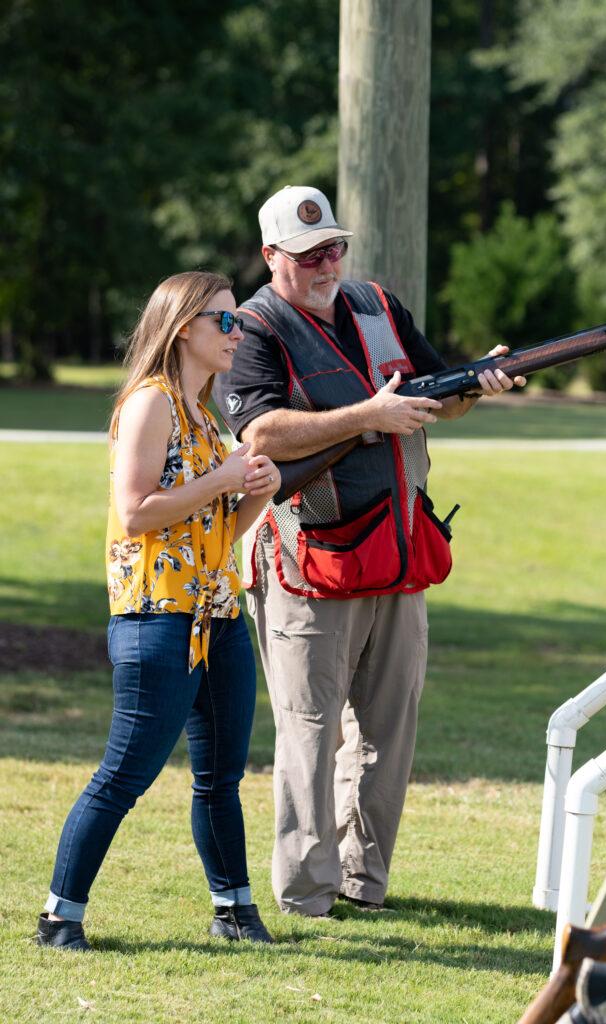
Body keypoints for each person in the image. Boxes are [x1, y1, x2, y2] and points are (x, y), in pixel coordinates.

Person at [213, 185, 526, 918]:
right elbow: (259, 435)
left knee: (389, 731)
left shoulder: (377, 306)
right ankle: (306, 895)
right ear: (270, 257)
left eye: (335, 249)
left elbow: (433, 395)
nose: (328, 264)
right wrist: (367, 416)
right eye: (309, 253)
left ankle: (364, 883)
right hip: (305, 558)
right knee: (310, 732)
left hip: (396, 550)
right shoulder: (253, 327)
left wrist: (476, 384)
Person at [37, 271, 281, 950]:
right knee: (125, 776)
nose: (240, 333)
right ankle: (60, 917)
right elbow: (136, 512)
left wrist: (256, 491)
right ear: (184, 329)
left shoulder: (206, 414)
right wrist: (223, 477)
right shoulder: (151, 404)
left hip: (217, 614)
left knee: (220, 777)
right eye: (225, 322)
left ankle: (233, 910)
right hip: (156, 618)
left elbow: (214, 533)